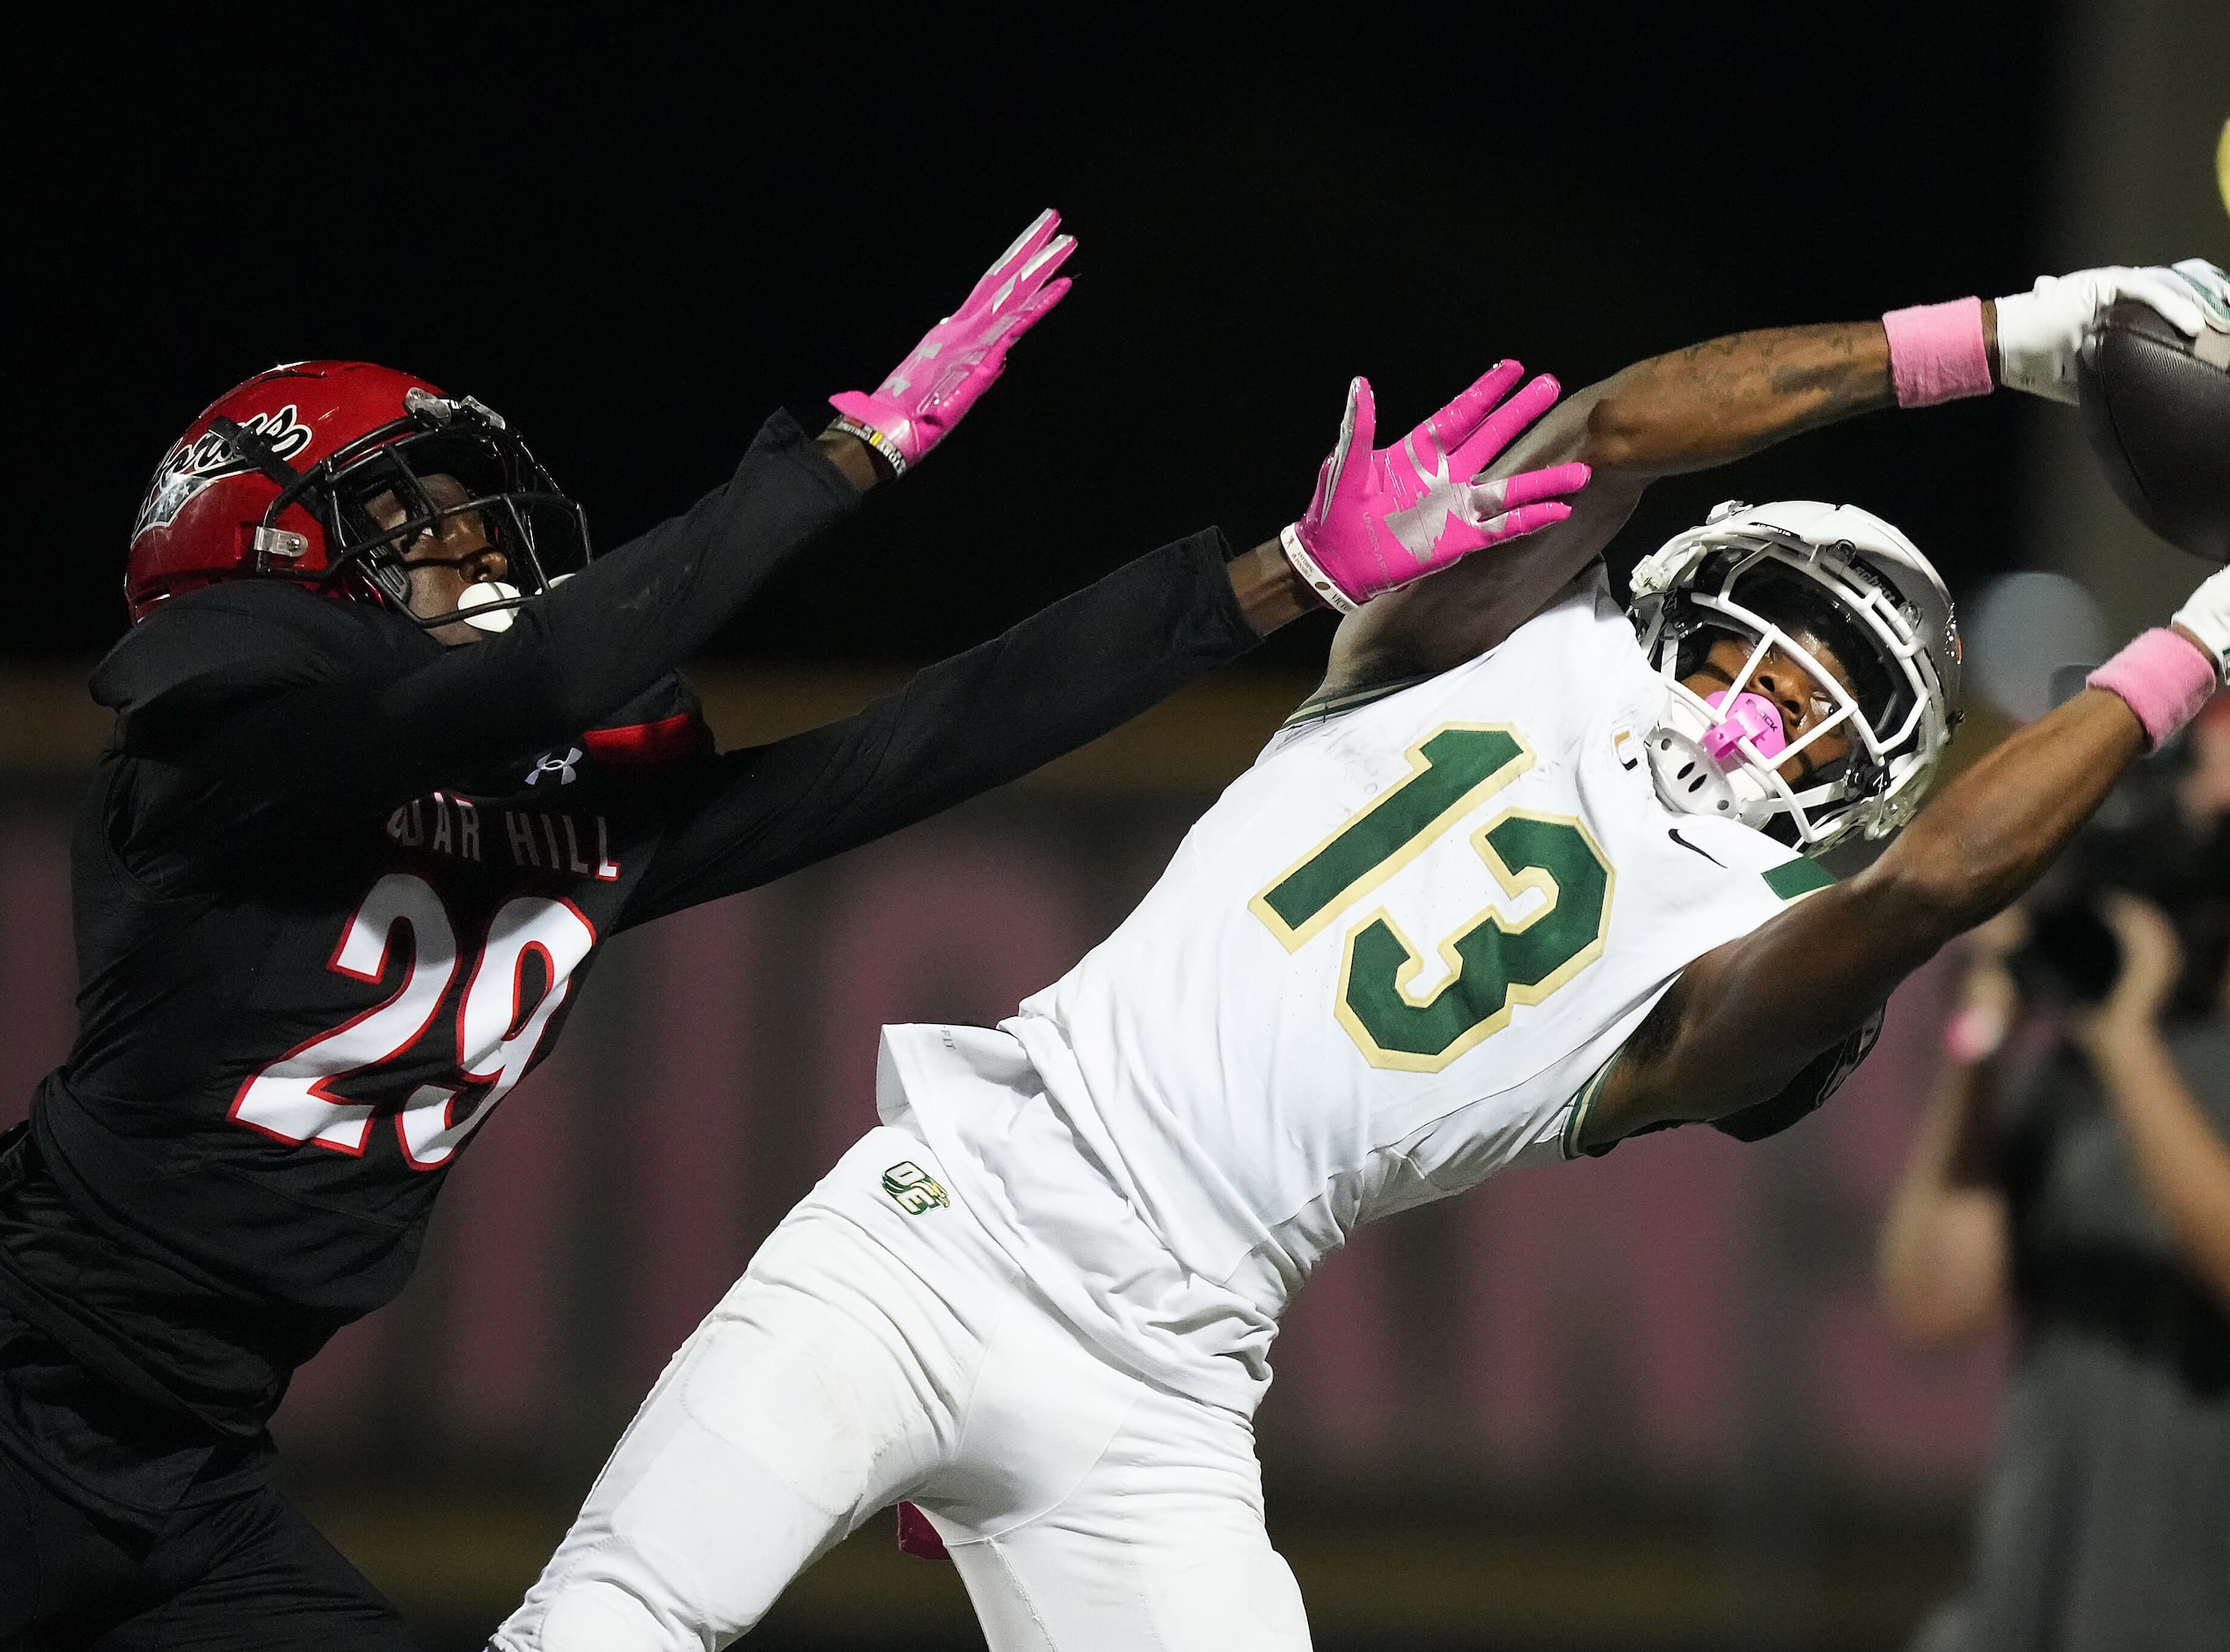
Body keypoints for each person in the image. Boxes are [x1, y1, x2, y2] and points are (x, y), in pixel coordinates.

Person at [494, 259, 2230, 1652]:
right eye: (1761, 644)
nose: (1762, 709)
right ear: (1678, 600)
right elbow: (1626, 429)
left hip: (1156, 1386)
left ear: (1857, 795)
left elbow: (1926, 897)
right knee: (612, 1629)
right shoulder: (1468, 641)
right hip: (946, 1217)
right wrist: (2011, 337)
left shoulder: (1738, 962)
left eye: (1826, 710)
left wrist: (2208, 629)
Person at [0, 209, 1592, 1650]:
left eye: (487, 534)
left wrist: (1279, 577)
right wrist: (838, 461)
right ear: (266, 550)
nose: (481, 564)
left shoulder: (536, 816)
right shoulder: (208, 766)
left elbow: (909, 749)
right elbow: (540, 677)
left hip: (187, 1469)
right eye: (424, 530)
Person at [1878, 664, 2230, 1652]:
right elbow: (1933, 1302)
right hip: (2026, 1611)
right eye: (2201, 765)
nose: (2212, 790)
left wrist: (2122, 1042)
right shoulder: (2116, 1028)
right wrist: (1979, 1043)